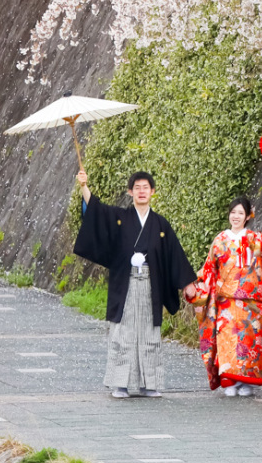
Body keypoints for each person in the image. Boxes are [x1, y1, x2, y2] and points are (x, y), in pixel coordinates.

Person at [74, 168, 197, 398]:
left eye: (146, 188)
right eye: (137, 188)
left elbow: (174, 255)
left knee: (149, 334)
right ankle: (120, 383)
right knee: (123, 333)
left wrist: (187, 283)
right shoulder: (120, 218)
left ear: (152, 192)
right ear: (130, 192)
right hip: (127, 283)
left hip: (151, 285)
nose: (142, 192)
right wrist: (84, 186)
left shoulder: (160, 225)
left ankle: (149, 384)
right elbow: (97, 212)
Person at [185, 195, 262, 396]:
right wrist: (192, 284)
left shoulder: (255, 239)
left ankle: (247, 382)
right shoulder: (220, 240)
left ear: (247, 217)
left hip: (251, 303)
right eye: (233, 212)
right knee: (228, 341)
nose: (236, 216)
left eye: (240, 213)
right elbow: (209, 268)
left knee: (249, 341)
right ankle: (230, 381)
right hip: (226, 302)